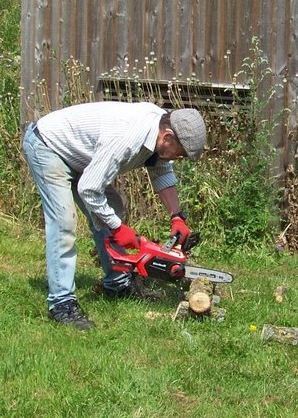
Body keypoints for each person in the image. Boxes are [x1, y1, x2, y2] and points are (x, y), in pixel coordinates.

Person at [21, 101, 207, 330]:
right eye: (180, 154)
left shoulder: (161, 129)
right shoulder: (128, 137)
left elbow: (161, 172)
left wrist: (177, 216)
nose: (179, 159)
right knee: (64, 222)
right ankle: (61, 303)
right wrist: (118, 228)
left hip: (81, 157)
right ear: (168, 137)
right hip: (49, 146)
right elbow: (89, 188)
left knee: (113, 209)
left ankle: (117, 284)